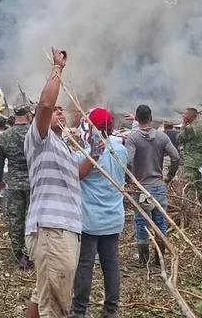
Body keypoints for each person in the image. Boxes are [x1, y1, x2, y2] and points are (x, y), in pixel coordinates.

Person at [24, 47, 82, 318]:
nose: (59, 111)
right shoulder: (40, 138)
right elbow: (45, 105)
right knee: (56, 304)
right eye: (56, 110)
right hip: (52, 229)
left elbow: (77, 175)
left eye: (63, 110)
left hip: (65, 228)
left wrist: (96, 152)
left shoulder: (63, 146)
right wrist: (58, 69)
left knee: (44, 295)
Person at [71, 108, 126, 318]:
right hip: (113, 217)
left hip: (90, 220)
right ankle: (111, 310)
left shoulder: (85, 154)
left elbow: (76, 174)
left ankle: (79, 311)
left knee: (85, 265)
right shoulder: (120, 150)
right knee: (111, 264)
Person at [125, 104, 181, 264]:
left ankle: (143, 260)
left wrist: (129, 179)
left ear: (136, 118)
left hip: (142, 188)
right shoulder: (162, 137)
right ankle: (160, 259)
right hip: (159, 186)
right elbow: (176, 157)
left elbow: (128, 161)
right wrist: (169, 176)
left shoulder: (133, 138)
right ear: (151, 118)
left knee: (142, 221)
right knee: (160, 220)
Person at [0, 101, 34, 268]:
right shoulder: (35, 134)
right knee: (32, 217)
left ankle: (18, 251)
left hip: (14, 183)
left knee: (15, 217)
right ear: (28, 115)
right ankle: (29, 251)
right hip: (34, 183)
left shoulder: (4, 136)